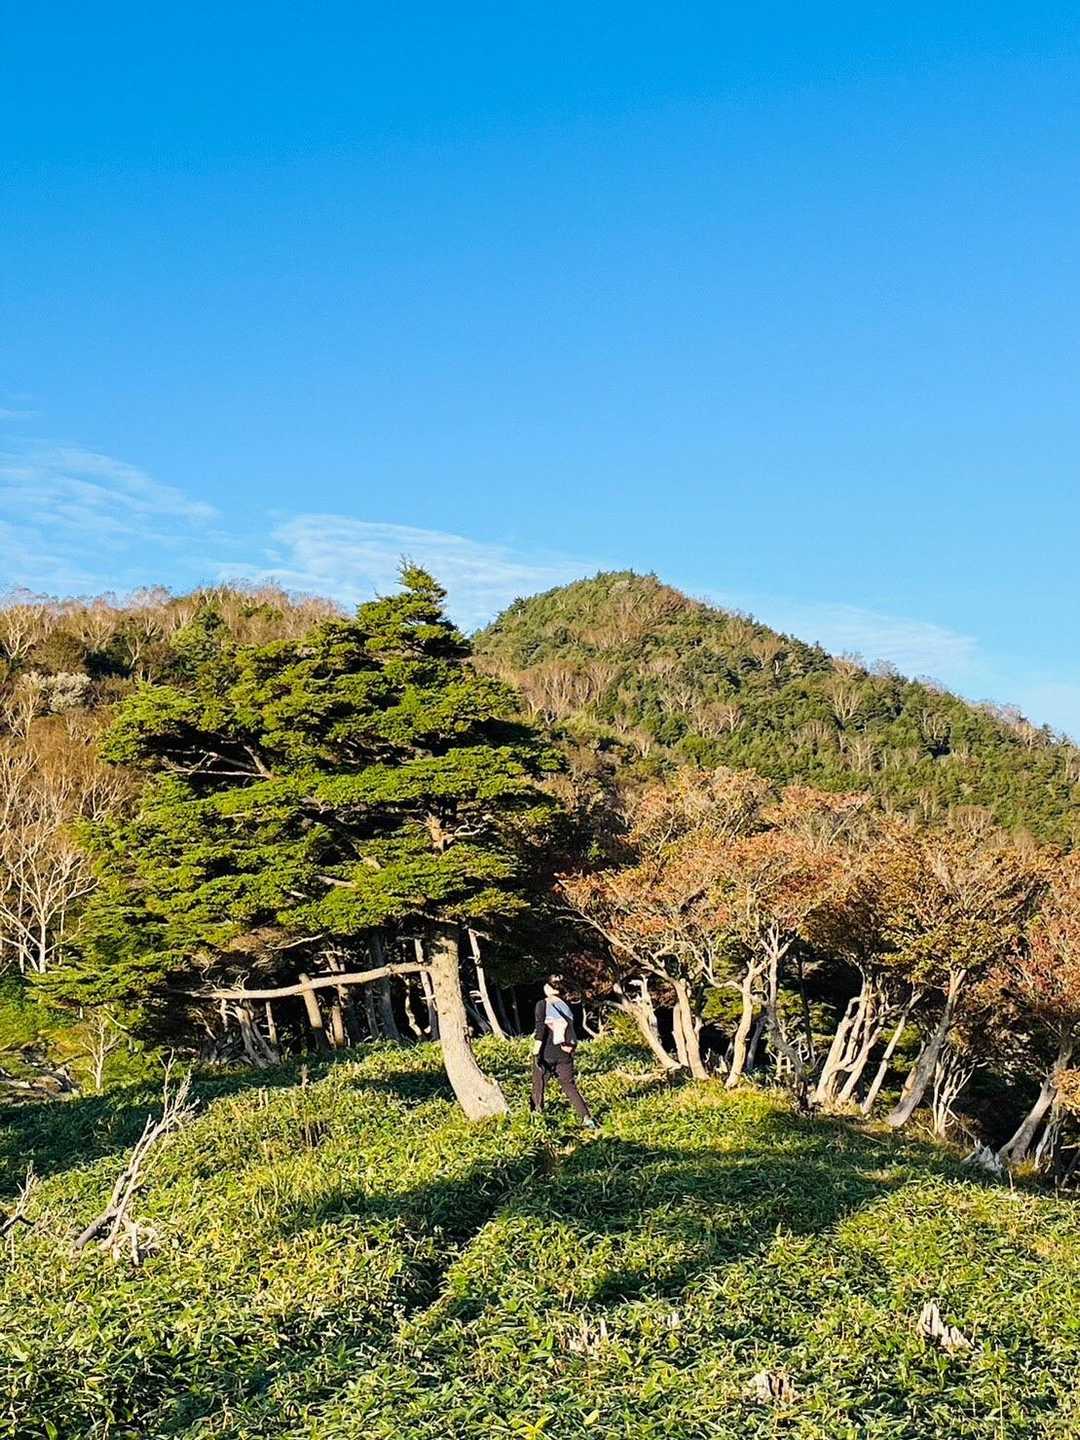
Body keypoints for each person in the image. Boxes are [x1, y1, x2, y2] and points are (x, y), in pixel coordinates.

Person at [530, 976, 597, 1127]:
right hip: (565, 1052)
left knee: (538, 1086)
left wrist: (535, 1053)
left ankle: (536, 1121)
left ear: (550, 988)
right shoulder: (566, 1005)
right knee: (569, 1086)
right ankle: (587, 1118)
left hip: (546, 1053)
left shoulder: (542, 1004)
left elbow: (540, 1031)